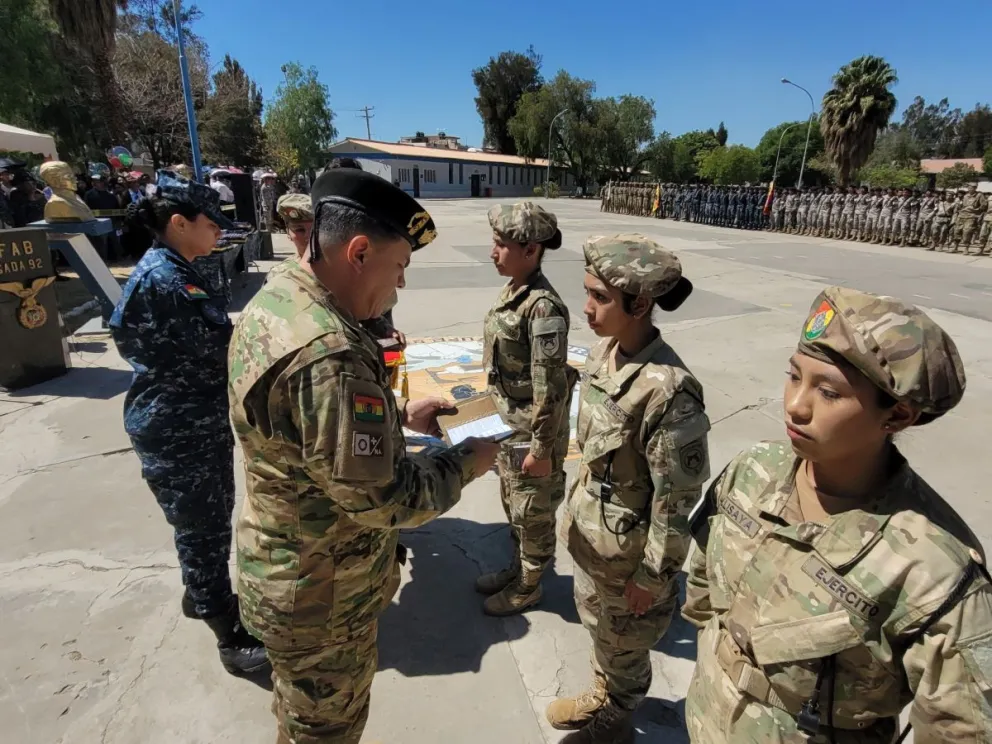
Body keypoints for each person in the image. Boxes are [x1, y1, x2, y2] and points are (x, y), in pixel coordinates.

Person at [228, 167, 502, 744]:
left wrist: (397, 423)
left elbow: (303, 436)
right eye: (398, 268)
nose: (398, 288)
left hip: (287, 573)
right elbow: (386, 500)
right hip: (320, 596)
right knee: (325, 733)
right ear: (357, 252)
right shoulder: (329, 357)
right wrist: (468, 462)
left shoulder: (282, 298)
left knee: (300, 722)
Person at [682, 286, 992, 743]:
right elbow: (704, 581)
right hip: (706, 719)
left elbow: (957, 731)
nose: (794, 405)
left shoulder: (933, 568)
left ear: (898, 415)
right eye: (793, 376)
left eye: (828, 392)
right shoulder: (754, 471)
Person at [547, 235, 711, 743]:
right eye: (587, 292)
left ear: (639, 305)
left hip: (632, 556)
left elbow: (675, 500)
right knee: (599, 627)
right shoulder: (605, 352)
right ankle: (606, 689)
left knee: (625, 640)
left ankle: (618, 714)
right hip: (595, 537)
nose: (587, 307)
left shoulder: (668, 391)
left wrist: (654, 575)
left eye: (599, 297)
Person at [108, 171, 266, 676]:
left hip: (193, 417)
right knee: (203, 528)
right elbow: (221, 349)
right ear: (179, 224)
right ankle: (227, 632)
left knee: (209, 519)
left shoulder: (183, 268)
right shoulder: (168, 279)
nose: (220, 232)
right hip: (178, 425)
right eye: (211, 223)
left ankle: (200, 594)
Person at [476, 203, 577, 616]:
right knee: (514, 504)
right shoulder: (515, 289)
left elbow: (549, 389)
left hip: (532, 433)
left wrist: (541, 449)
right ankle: (520, 568)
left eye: (501, 244)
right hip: (510, 425)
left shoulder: (543, 309)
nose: (492, 252)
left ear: (531, 249)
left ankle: (530, 586)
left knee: (532, 512)